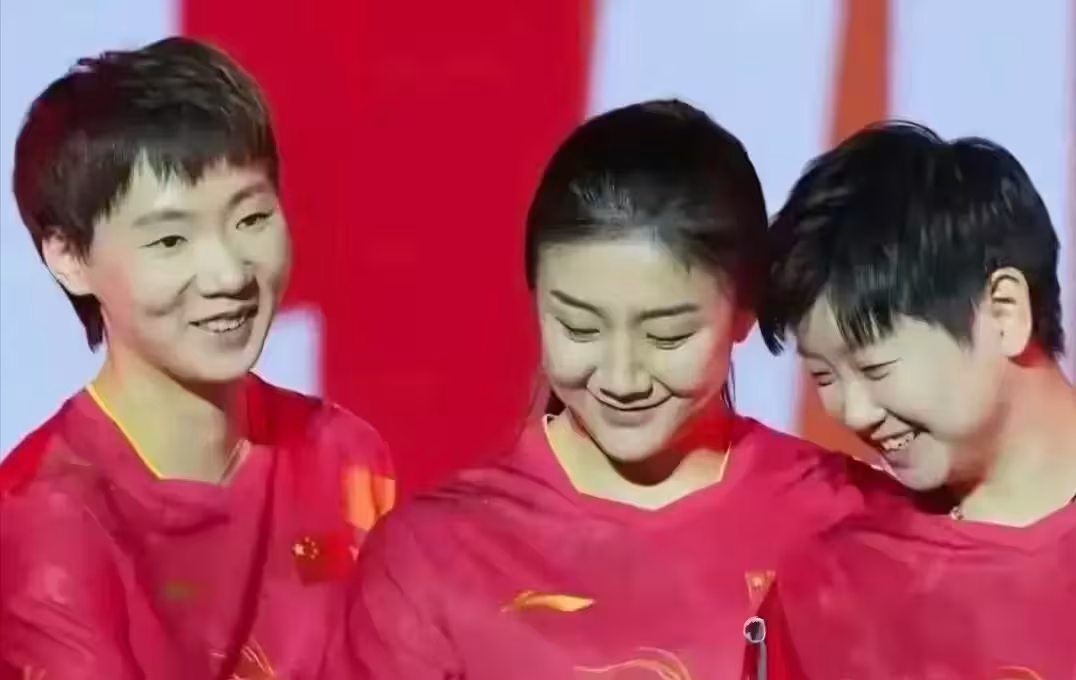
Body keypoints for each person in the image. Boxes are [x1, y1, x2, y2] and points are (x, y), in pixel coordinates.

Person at [325, 100, 875, 680]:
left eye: (666, 335)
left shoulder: (850, 521)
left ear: (744, 311)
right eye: (579, 328)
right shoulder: (433, 557)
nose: (621, 377)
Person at [0, 37, 395, 680]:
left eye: (251, 219)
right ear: (68, 256)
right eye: (170, 240)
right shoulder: (45, 518)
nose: (228, 274)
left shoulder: (344, 455)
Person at [757, 121, 1076, 679]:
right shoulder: (831, 589)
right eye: (823, 376)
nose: (853, 413)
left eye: (876, 368)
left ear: (1003, 312)